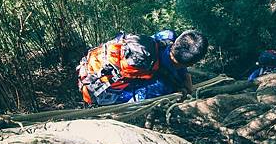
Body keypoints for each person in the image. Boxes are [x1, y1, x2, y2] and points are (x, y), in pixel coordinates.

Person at [77, 30, 208, 106]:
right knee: (148, 95)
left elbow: (177, 64)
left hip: (91, 65)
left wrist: (185, 78)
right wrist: (183, 88)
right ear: (190, 64)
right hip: (99, 90)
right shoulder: (163, 87)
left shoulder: (167, 36)